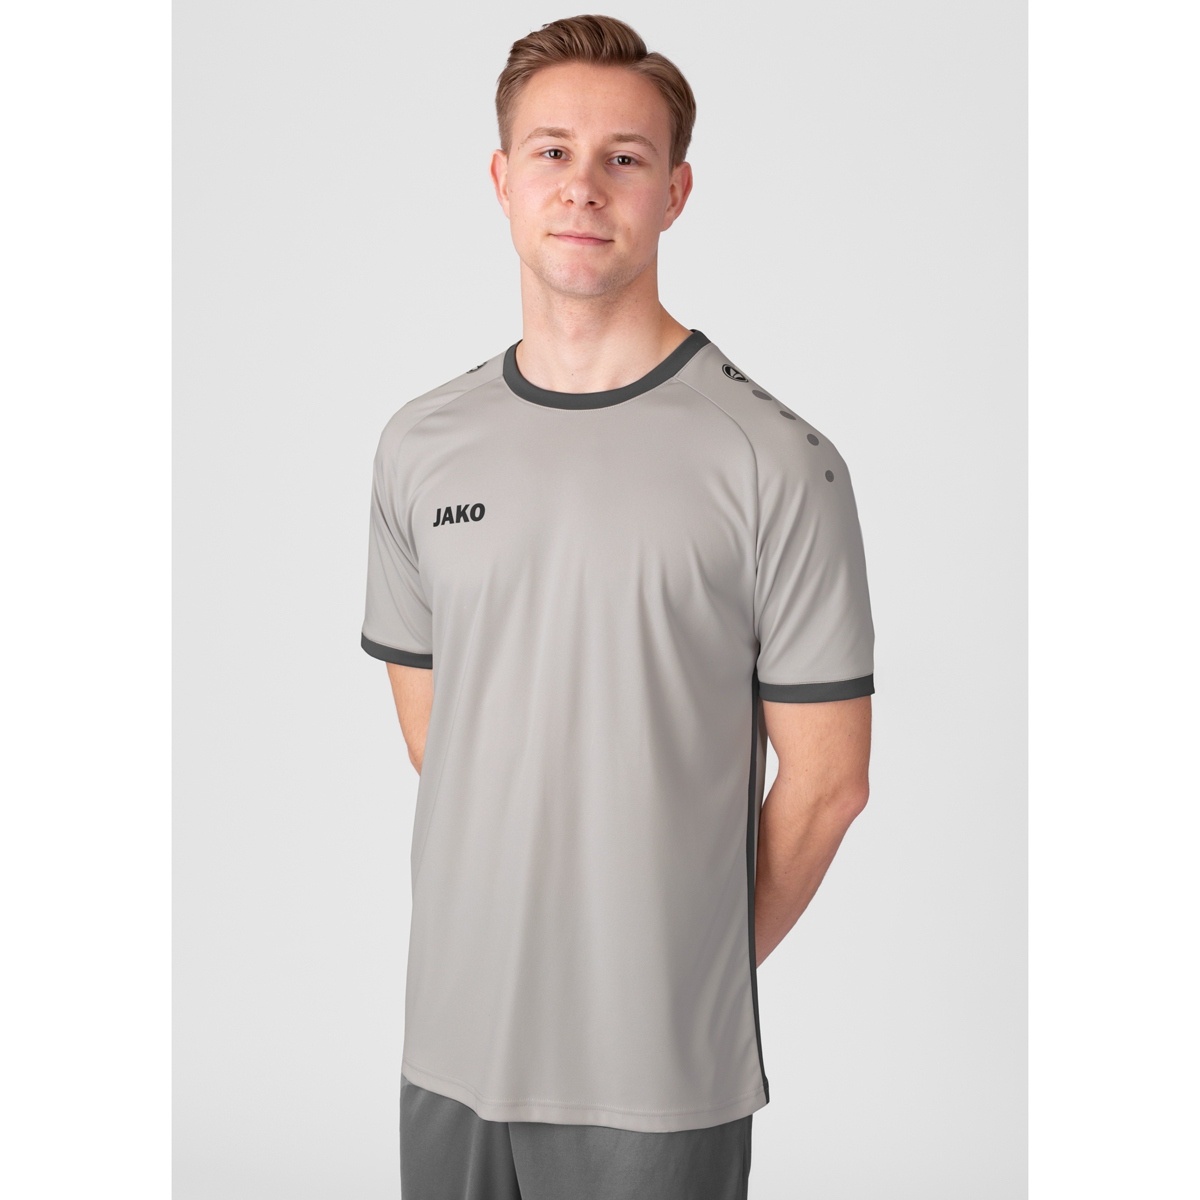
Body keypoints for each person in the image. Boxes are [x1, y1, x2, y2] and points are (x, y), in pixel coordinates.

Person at [360, 14, 874, 1199]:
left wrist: (676, 974)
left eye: (624, 158)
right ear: (503, 179)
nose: (582, 186)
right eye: (552, 152)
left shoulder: (775, 460)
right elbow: (444, 735)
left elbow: (830, 782)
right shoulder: (419, 446)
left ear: (675, 192)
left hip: (655, 1076)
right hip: (451, 1047)